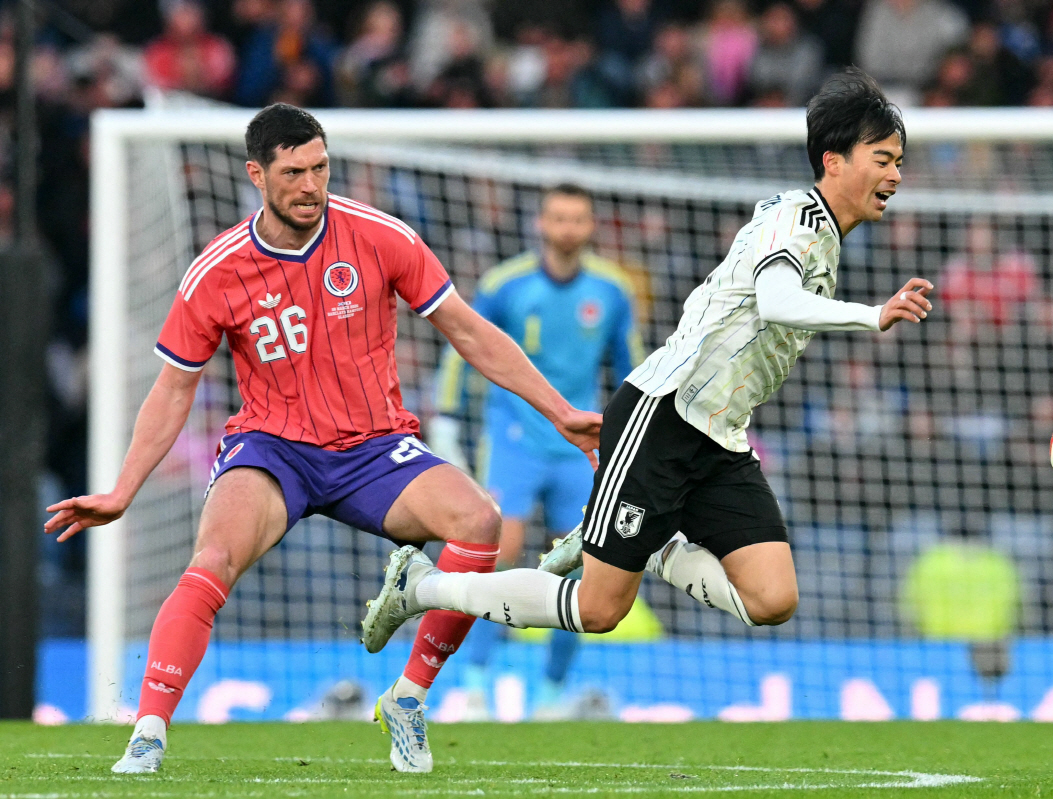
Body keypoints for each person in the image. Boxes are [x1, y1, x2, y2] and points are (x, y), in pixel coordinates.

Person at [43, 103, 600, 775]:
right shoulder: (217, 269)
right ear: (257, 174)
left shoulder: (378, 235)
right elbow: (173, 389)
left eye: (320, 168)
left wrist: (559, 411)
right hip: (274, 450)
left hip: (375, 448)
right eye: (294, 172)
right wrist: (123, 489)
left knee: (478, 521)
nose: (311, 185)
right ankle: (149, 731)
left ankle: (408, 697)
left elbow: (468, 328)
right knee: (212, 557)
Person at [359, 70, 933, 671]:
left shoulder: (825, 235)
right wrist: (874, 315)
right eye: (883, 158)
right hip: (663, 418)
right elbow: (776, 299)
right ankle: (422, 589)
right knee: (601, 610)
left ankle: (655, 544)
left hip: (718, 436)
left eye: (899, 161)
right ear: (833, 161)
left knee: (773, 598)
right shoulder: (798, 222)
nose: (895, 174)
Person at [430, 184, 643, 720]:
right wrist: (447, 416)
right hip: (513, 441)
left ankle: (551, 695)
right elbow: (463, 347)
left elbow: (631, 369)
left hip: (583, 449)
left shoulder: (613, 291)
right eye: (558, 217)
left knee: (583, 567)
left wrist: (641, 430)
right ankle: (475, 687)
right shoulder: (505, 285)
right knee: (497, 556)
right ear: (541, 225)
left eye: (578, 218)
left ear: (591, 226)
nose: (567, 227)